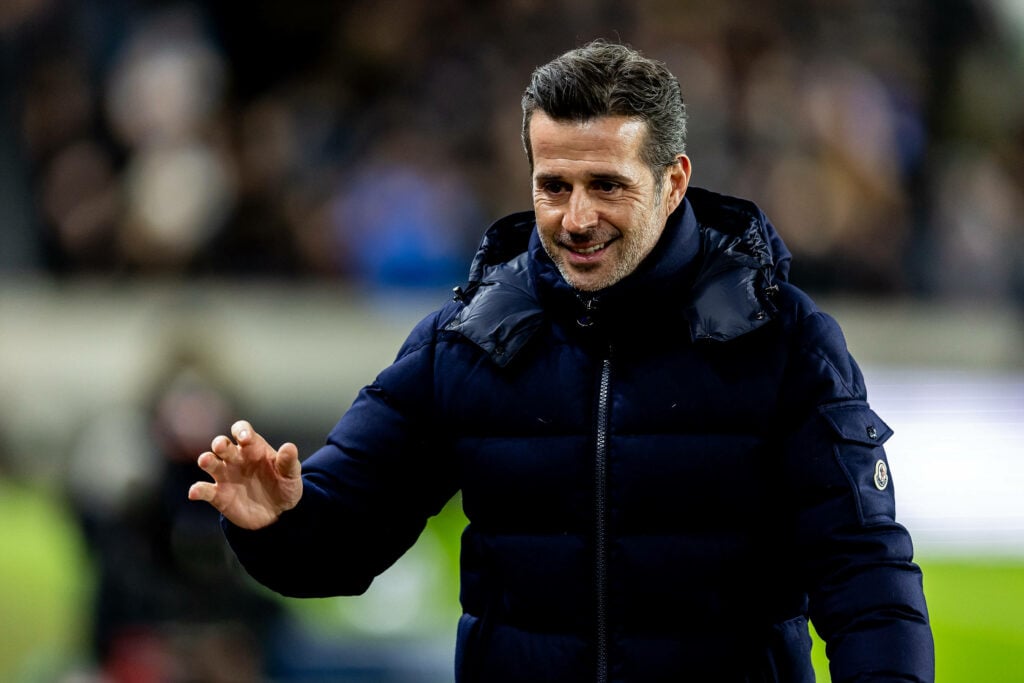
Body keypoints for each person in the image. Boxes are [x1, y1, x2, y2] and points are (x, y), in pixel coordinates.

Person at [189, 40, 934, 682]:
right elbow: (341, 543)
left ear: (673, 182)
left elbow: (862, 572)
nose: (576, 219)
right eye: (554, 186)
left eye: (607, 186)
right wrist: (279, 522)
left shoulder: (785, 342)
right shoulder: (466, 340)